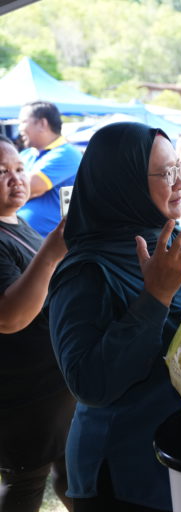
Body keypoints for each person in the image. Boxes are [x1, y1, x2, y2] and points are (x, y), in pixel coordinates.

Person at [47, 123, 181, 511]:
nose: (180, 182)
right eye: (166, 173)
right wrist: (156, 297)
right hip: (121, 474)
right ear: (123, 181)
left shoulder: (172, 242)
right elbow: (89, 384)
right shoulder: (85, 271)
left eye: (180, 167)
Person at [0, 136, 74, 512]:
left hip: (52, 385)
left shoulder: (19, 224)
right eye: (1, 172)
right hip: (24, 395)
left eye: (19, 168)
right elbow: (10, 317)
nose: (16, 178)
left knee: (70, 470)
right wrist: (51, 254)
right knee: (26, 481)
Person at [16, 101, 81, 237]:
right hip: (21, 237)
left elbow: (29, 187)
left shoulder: (67, 154)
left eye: (23, 122)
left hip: (47, 242)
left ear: (42, 124)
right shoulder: (25, 154)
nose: (19, 128)